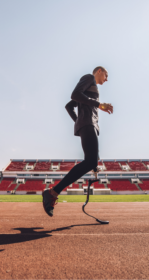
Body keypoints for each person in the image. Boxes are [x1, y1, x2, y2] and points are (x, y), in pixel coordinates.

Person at [42, 66, 113, 217]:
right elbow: (74, 94)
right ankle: (52, 193)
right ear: (99, 71)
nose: (106, 79)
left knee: (92, 161)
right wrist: (99, 105)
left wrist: (78, 122)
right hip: (88, 124)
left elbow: (69, 106)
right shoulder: (89, 78)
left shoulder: (90, 88)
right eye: (106, 75)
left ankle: (53, 193)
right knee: (90, 162)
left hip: (87, 124)